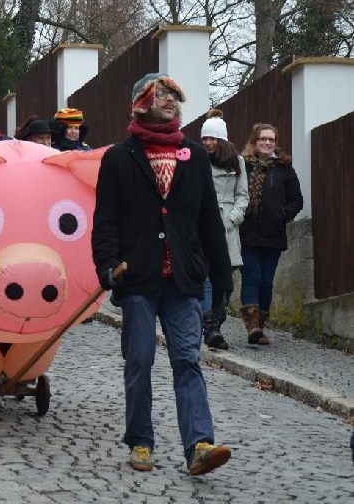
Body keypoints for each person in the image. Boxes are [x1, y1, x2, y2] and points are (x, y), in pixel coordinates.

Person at [92, 72, 233, 476]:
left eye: (174, 95)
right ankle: (140, 441)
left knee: (188, 360)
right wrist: (107, 268)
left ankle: (199, 445)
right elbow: (105, 221)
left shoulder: (194, 155)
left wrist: (221, 276)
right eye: (162, 95)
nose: (170, 101)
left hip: (184, 280)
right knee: (139, 359)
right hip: (137, 277)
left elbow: (209, 220)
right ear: (142, 103)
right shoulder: (119, 157)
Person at [238, 123, 303, 345]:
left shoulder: (284, 168)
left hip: (274, 235)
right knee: (251, 277)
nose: (267, 143)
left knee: (266, 282)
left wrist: (280, 214)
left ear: (275, 142)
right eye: (263, 139)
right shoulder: (243, 166)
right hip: (248, 234)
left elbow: (297, 200)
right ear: (254, 142)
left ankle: (260, 325)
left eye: (271, 139)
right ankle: (252, 326)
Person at [198, 109, 248, 350]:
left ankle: (215, 322)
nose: (208, 143)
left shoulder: (236, 162)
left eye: (212, 138)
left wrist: (233, 218)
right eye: (205, 138)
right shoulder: (196, 159)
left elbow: (243, 195)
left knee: (225, 282)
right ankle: (210, 328)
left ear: (222, 140)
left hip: (226, 227)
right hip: (202, 225)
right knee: (205, 276)